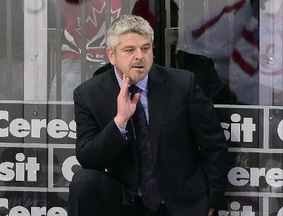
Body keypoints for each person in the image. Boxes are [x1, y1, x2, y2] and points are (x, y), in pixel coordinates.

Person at [68, 14, 228, 216]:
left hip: (178, 201)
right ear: (111, 55)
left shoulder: (182, 85)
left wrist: (211, 202)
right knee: (83, 182)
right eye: (129, 50)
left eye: (145, 48)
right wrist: (120, 121)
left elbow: (214, 146)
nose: (139, 56)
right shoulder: (88, 94)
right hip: (126, 200)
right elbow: (88, 159)